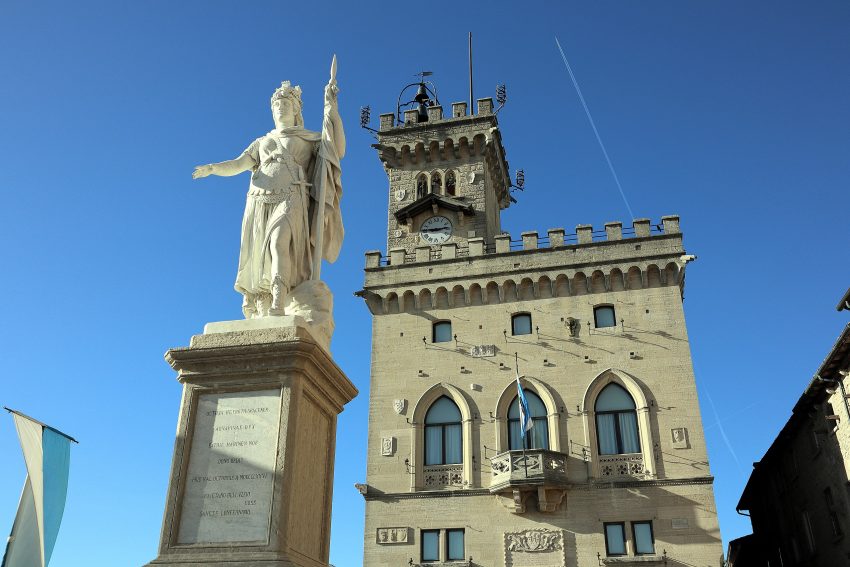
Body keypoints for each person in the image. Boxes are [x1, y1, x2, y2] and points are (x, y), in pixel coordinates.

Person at [193, 80, 344, 319]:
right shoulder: (261, 142)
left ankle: (278, 301)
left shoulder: (309, 138)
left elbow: (336, 149)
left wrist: (331, 110)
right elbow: (238, 164)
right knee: (261, 256)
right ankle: (262, 301)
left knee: (278, 243)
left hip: (292, 197)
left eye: (286, 104)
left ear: (296, 110)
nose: (281, 108)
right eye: (277, 105)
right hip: (259, 200)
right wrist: (212, 168)